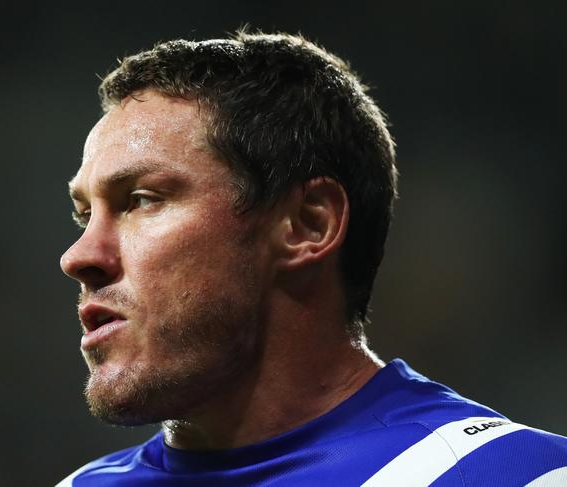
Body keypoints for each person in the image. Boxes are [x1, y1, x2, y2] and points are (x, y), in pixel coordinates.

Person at [58, 31, 567, 486]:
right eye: (85, 215)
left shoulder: (503, 474)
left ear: (308, 225)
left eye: (142, 200)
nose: (79, 256)